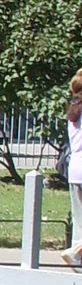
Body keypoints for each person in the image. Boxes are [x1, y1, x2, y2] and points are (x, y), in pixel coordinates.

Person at [60, 71, 82, 271]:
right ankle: (75, 253)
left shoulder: (74, 109)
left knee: (79, 220)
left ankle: (77, 263)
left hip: (75, 169)